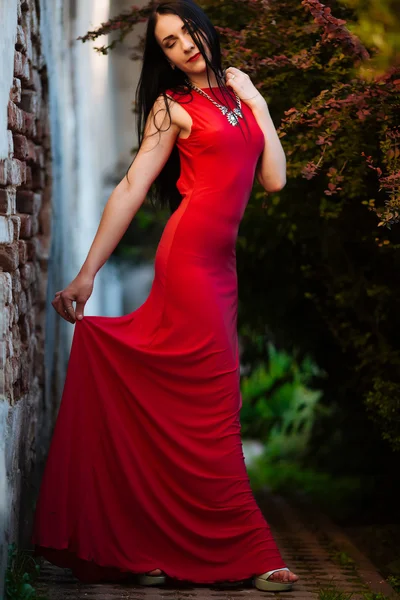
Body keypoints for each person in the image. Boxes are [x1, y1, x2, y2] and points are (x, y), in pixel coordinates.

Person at [32, 0, 299, 592]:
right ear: (166, 57)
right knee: (215, 408)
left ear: (207, 30)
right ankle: (254, 553)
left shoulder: (238, 98)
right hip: (188, 265)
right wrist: (86, 274)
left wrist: (257, 102)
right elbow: (131, 187)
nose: (185, 46)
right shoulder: (171, 106)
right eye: (171, 43)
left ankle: (144, 541)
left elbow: (275, 178)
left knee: (192, 407)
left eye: (188, 32)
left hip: (220, 270)